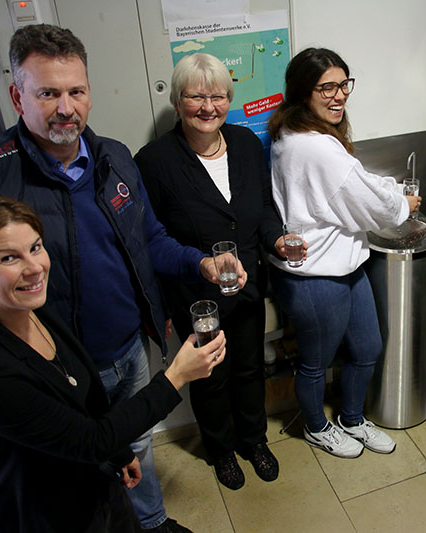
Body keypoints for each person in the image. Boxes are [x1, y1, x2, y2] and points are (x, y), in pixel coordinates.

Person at [0, 24, 243, 532]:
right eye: (48, 93)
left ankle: (150, 522)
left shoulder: (114, 157)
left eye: (76, 91)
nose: (66, 107)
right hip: (59, 366)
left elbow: (150, 240)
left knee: (136, 444)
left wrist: (198, 263)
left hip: (129, 347)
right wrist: (0, 355)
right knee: (87, 465)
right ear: (18, 95)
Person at [0, 195, 227, 532]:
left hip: (98, 488)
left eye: (35, 247)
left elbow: (84, 401)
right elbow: (91, 440)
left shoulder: (33, 308)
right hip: (48, 515)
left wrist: (119, 454)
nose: (34, 268)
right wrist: (177, 375)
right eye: (8, 258)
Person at [134, 53, 285, 490]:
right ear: (178, 102)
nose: (207, 106)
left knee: (250, 368)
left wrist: (276, 240)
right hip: (195, 296)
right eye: (195, 96)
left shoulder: (244, 143)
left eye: (217, 96)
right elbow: (151, 237)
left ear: (229, 100)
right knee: (210, 377)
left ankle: (254, 441)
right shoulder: (154, 160)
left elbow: (264, 210)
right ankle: (220, 450)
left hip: (249, 285)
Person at [266, 47, 420, 458]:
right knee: (316, 362)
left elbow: (357, 182)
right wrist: (403, 204)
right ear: (304, 92)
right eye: (327, 87)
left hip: (346, 263)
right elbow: (371, 204)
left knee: (367, 348)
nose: (339, 96)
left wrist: (386, 195)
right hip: (315, 275)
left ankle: (352, 418)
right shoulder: (314, 146)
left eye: (343, 85)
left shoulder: (295, 132)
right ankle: (318, 426)